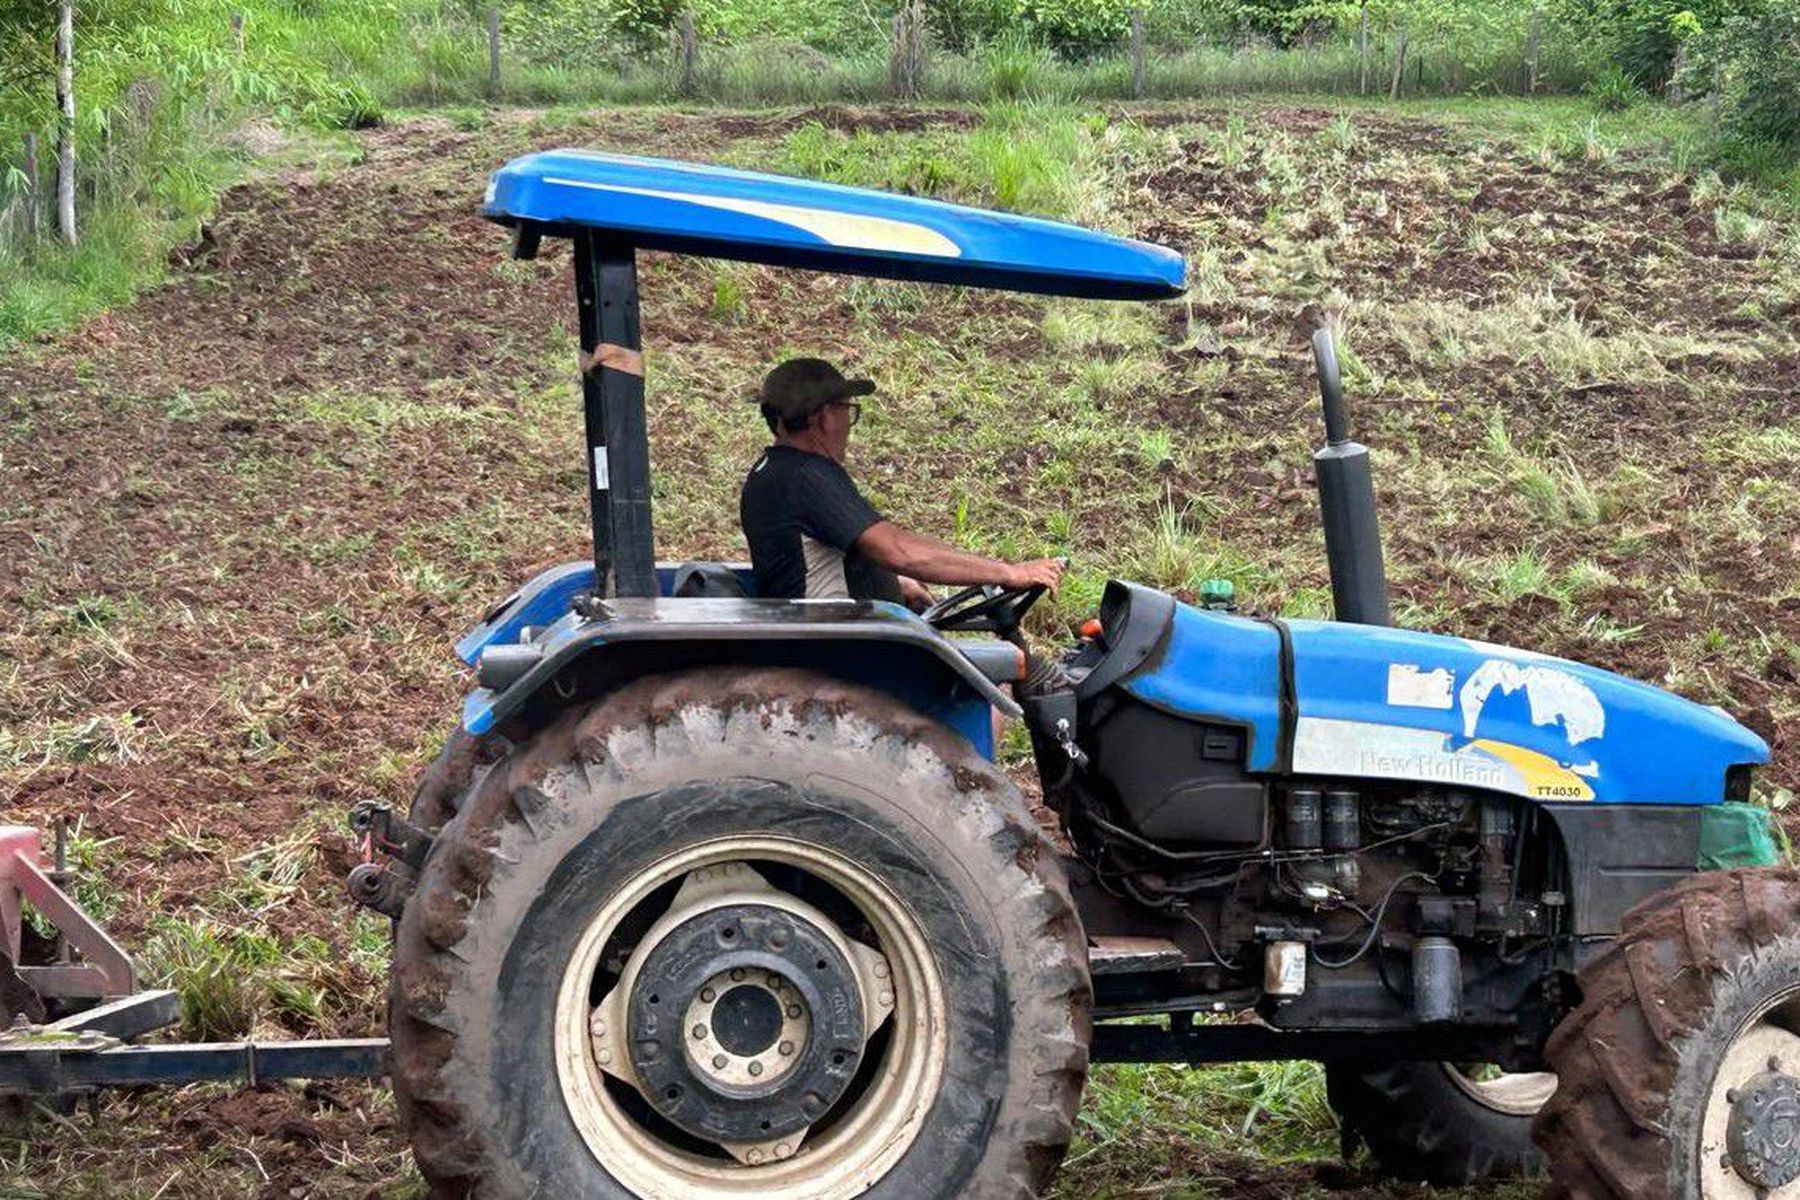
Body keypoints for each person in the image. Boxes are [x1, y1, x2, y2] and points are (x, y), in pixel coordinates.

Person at [740, 357, 1063, 606]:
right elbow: (898, 549)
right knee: (1002, 666)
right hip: (836, 648)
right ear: (823, 416)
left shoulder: (771, 472)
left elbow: (822, 557)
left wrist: (892, 583)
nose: (848, 424)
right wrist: (1008, 572)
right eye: (847, 410)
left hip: (835, 630)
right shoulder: (807, 477)